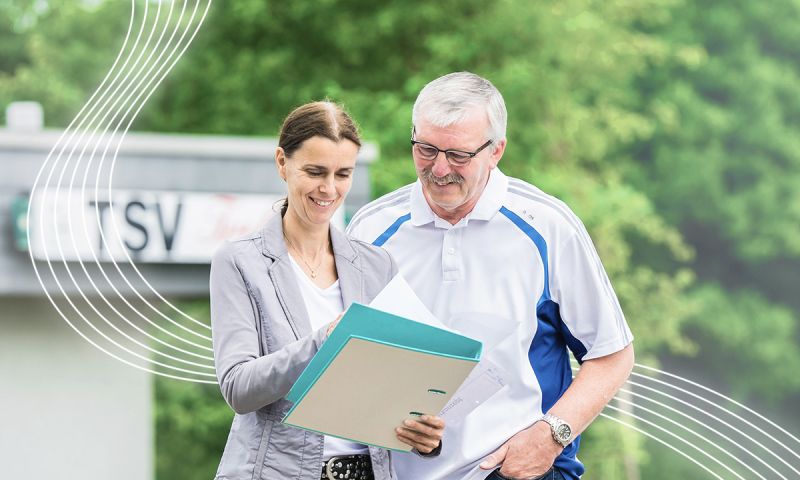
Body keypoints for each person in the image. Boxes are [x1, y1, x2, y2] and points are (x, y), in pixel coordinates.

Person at [347, 73, 635, 480]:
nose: (439, 168)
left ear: (497, 149)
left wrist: (550, 437)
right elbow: (345, 361)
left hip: (518, 470)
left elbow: (612, 354)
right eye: (426, 149)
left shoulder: (548, 227)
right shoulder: (369, 231)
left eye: (458, 154)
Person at [211, 101, 445, 480]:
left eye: (343, 174)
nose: (329, 188)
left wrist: (423, 432)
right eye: (315, 172)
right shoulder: (240, 261)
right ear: (282, 163)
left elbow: (394, 381)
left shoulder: (377, 265)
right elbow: (239, 388)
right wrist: (325, 342)